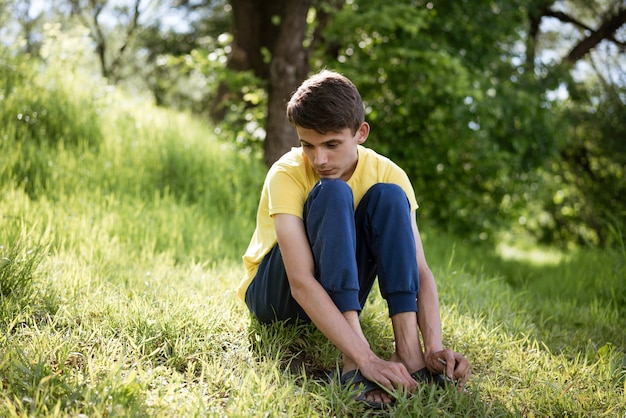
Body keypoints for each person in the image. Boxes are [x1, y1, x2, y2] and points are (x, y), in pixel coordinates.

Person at [237, 70, 471, 408]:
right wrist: (365, 358)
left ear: (360, 133)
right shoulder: (287, 172)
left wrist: (434, 346)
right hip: (277, 297)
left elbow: (419, 271)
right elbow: (300, 281)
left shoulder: (390, 172)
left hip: (335, 293)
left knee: (390, 198)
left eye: (332, 144)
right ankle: (352, 362)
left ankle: (409, 352)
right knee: (332, 193)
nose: (319, 159)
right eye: (308, 145)